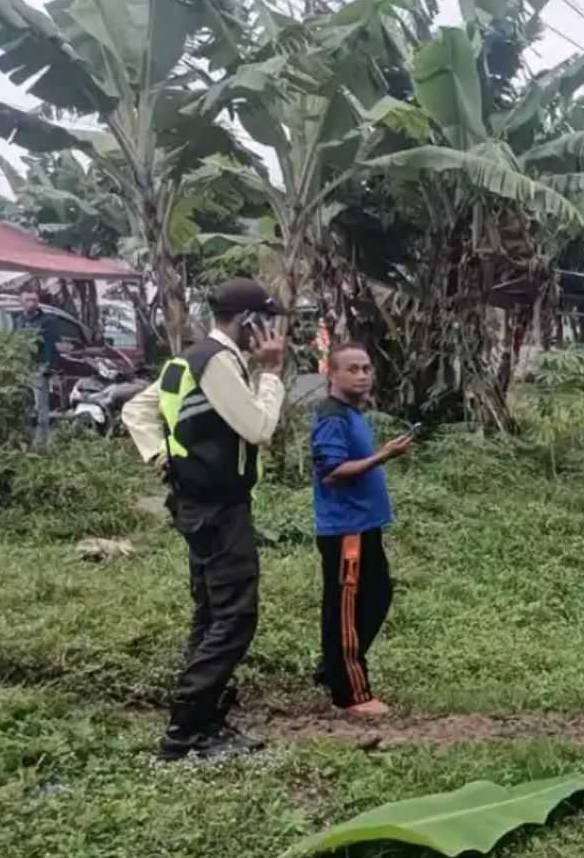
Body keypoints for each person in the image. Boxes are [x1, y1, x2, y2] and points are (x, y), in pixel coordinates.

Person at [120, 279, 287, 760]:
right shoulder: (216, 363)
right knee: (235, 616)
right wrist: (272, 372)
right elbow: (258, 428)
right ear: (249, 322)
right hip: (218, 509)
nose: (273, 333)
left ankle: (203, 721)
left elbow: (138, 409)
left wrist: (160, 457)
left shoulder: (191, 360)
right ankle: (184, 730)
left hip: (199, 506)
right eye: (267, 322)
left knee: (212, 613)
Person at [310, 343, 412, 718]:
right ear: (331, 374)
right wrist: (383, 456)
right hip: (345, 529)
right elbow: (332, 472)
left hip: (364, 526)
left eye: (366, 368)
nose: (363, 375)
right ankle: (350, 694)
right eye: (352, 369)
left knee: (377, 596)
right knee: (347, 612)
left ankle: (332, 669)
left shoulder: (350, 413)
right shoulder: (332, 417)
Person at [15, 290, 65, 447]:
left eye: (34, 300)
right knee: (24, 403)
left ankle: (41, 442)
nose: (31, 303)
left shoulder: (47, 321)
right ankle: (26, 438)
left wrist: (49, 367)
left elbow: (52, 346)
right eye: (28, 300)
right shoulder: (19, 320)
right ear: (21, 302)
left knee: (40, 405)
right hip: (22, 366)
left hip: (39, 366)